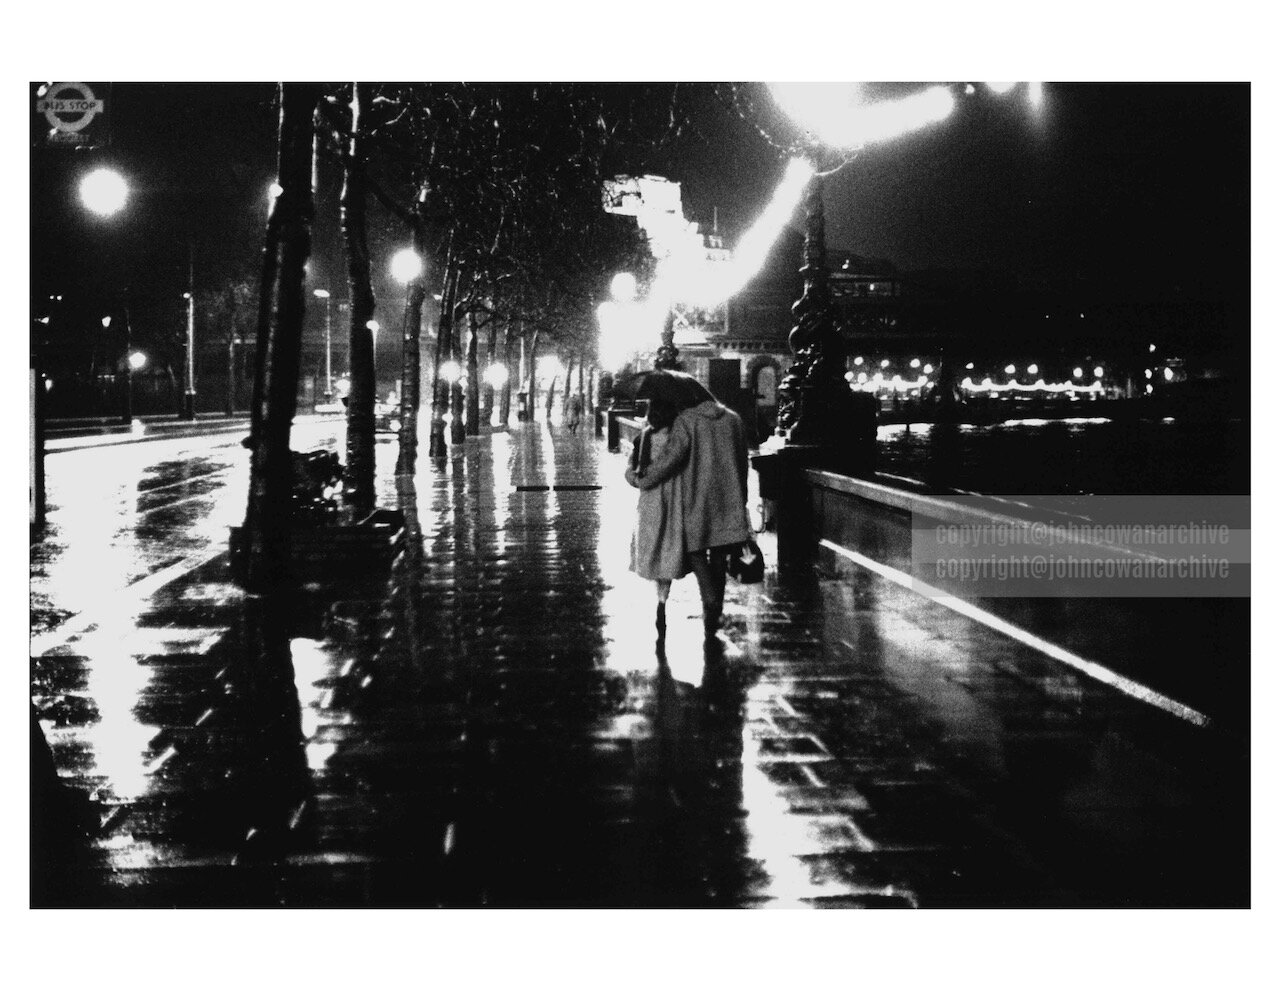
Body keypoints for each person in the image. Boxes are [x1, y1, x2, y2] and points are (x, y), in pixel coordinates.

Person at [630, 371, 751, 639]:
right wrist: (742, 498)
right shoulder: (733, 419)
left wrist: (644, 479)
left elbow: (671, 459)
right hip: (729, 499)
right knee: (719, 554)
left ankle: (710, 600)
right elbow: (743, 463)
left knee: (696, 552)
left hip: (695, 498)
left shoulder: (688, 422)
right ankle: (713, 612)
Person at [625, 395, 690, 639]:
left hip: (650, 501)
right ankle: (663, 598)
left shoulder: (643, 438)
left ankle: (659, 599)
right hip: (674, 501)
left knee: (652, 548)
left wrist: (639, 480)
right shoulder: (679, 438)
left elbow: (630, 471)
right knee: (669, 550)